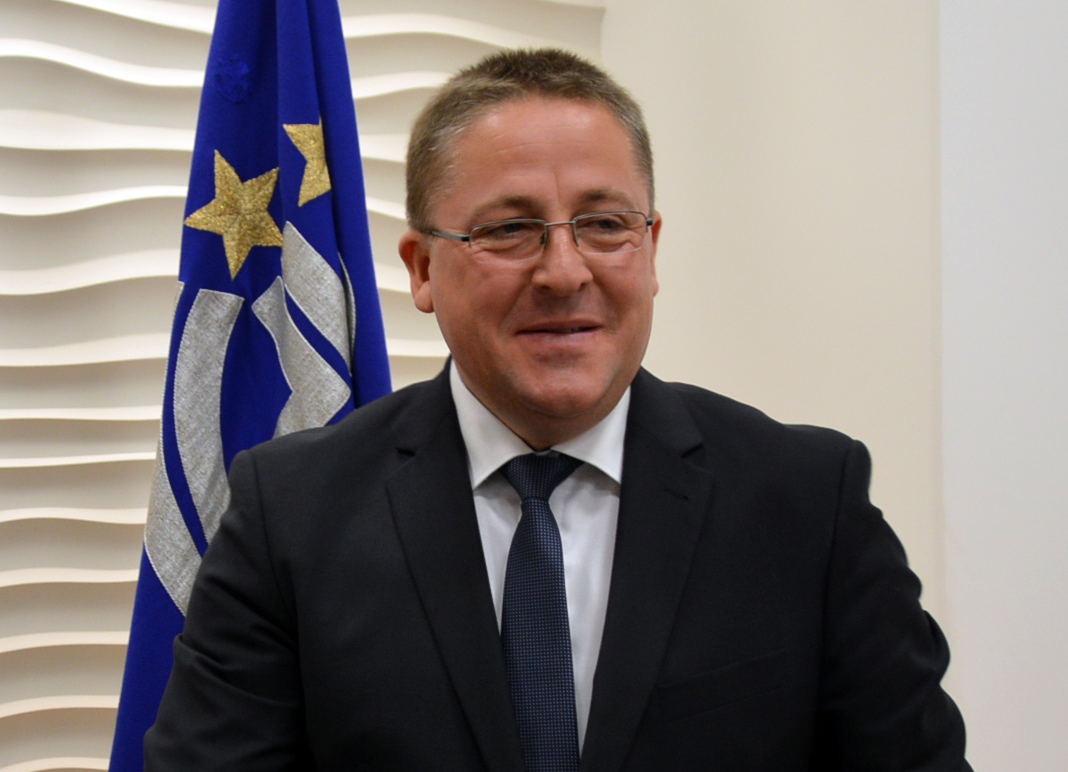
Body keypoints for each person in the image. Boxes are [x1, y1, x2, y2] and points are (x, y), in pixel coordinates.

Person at [145, 48, 971, 770]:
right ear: (423, 269)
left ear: (651, 251)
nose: (566, 271)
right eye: (509, 230)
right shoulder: (290, 514)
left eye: (605, 224)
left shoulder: (808, 503)